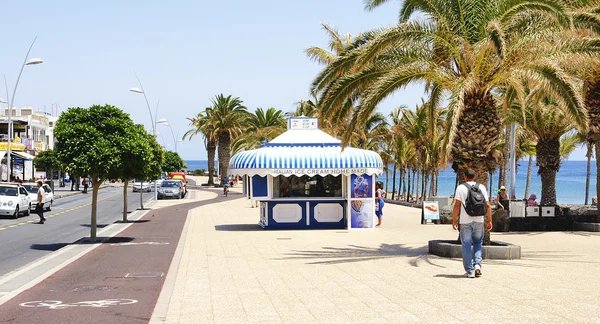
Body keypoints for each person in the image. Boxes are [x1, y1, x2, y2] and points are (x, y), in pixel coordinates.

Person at [452, 168, 493, 278]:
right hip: (479, 220)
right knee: (478, 243)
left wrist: (454, 220)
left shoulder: (461, 188)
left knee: (466, 245)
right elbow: (488, 205)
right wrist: (489, 221)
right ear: (475, 176)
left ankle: (470, 271)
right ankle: (477, 266)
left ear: (464, 176)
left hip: (465, 221)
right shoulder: (481, 187)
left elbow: (457, 206)